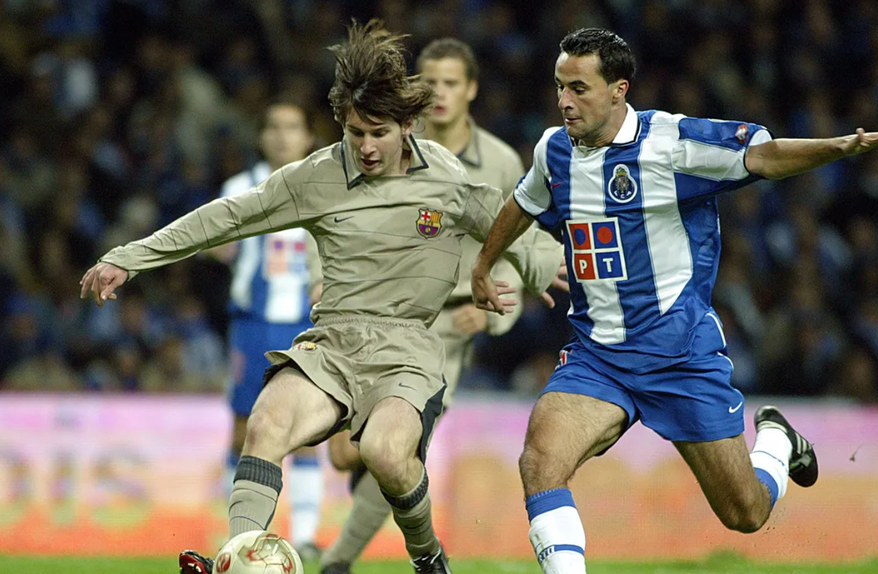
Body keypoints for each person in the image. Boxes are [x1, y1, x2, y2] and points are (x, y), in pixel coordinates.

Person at [80, 20, 562, 574]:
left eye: (377, 132)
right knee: (266, 421)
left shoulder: (446, 178)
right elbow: (230, 217)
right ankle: (240, 559)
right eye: (354, 131)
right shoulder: (318, 175)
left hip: (408, 349)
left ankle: (428, 556)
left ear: (408, 125)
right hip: (333, 340)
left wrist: (542, 264)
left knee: (385, 452)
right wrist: (132, 255)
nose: (364, 146)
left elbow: (505, 221)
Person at [470, 28, 878, 574]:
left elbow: (765, 157)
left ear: (617, 90)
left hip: (679, 355)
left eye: (578, 88)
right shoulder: (554, 149)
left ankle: (774, 439)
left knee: (744, 512)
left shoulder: (671, 142)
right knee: (540, 462)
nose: (564, 101)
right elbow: (524, 200)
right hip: (597, 357)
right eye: (560, 86)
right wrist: (484, 263)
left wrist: (839, 146)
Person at [320, 38, 558, 574]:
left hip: (449, 323)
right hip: (374, 313)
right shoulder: (390, 143)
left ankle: (336, 562)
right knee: (347, 452)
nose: (440, 93)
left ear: (471, 89)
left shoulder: (498, 160)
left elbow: (514, 236)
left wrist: (505, 304)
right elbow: (341, 214)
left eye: (452, 82)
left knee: (397, 452)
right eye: (430, 82)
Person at [209, 99, 324, 559]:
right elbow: (215, 244)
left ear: (308, 137)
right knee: (242, 426)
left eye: (292, 127)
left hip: (306, 324)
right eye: (273, 126)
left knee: (310, 430)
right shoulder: (239, 186)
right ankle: (237, 537)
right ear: (261, 136)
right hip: (253, 324)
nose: (281, 135)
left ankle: (308, 536)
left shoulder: (324, 185)